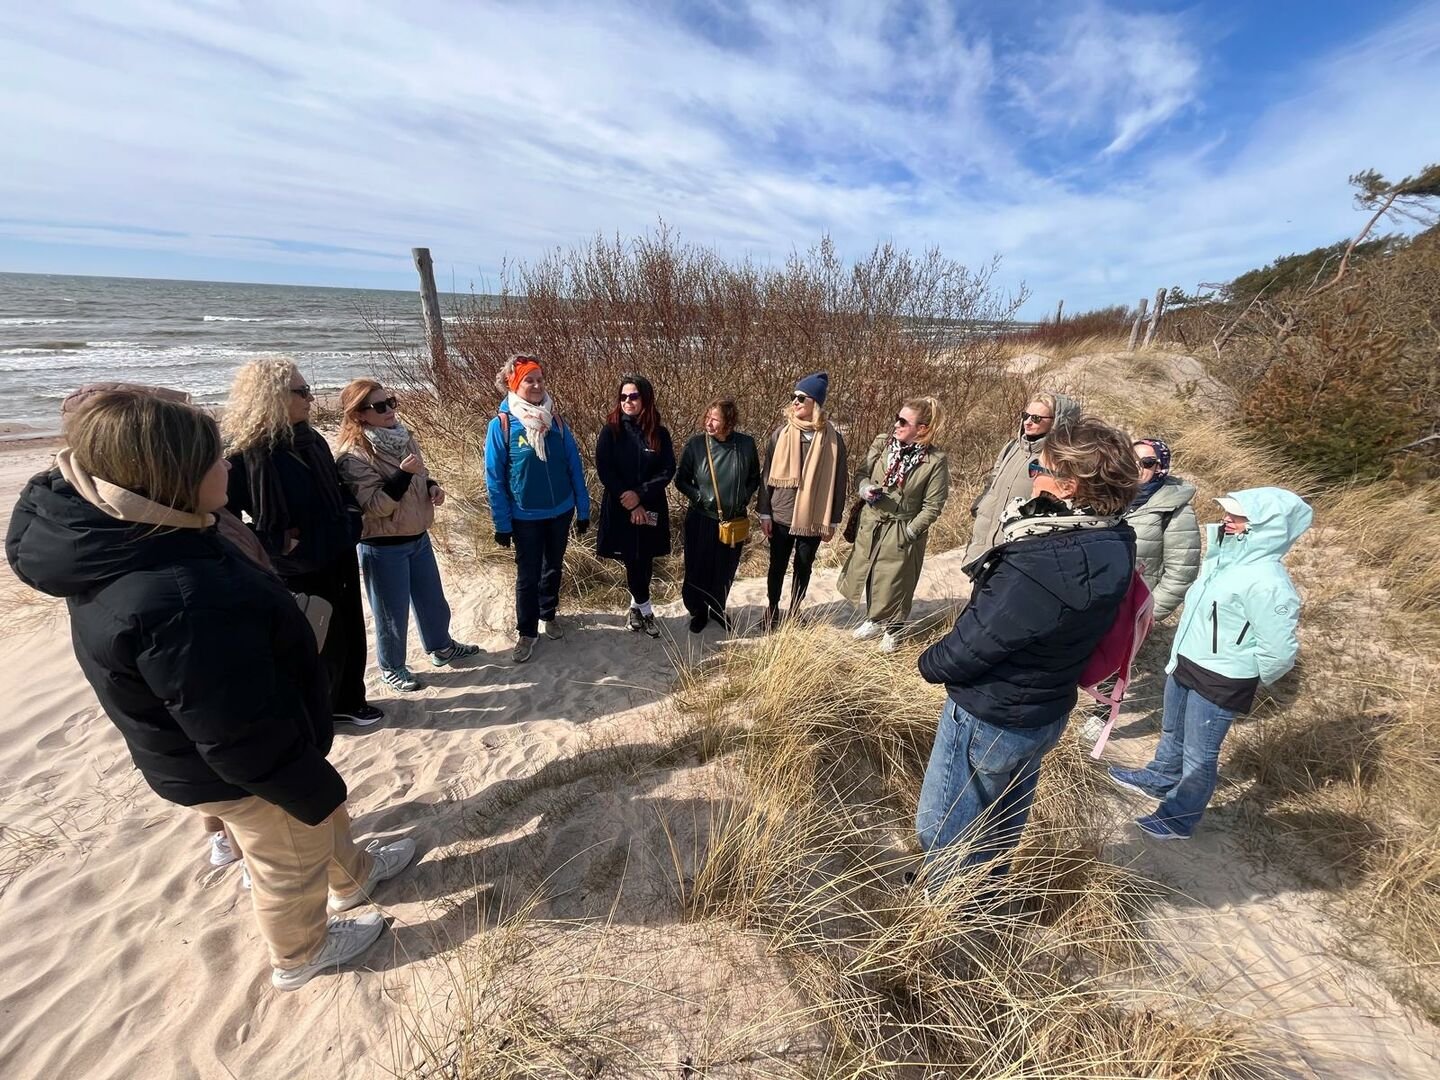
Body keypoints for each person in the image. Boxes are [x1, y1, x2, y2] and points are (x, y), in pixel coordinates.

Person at [6, 390, 416, 991]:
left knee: (319, 815)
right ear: (168, 475)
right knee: (286, 854)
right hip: (242, 770)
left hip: (227, 746)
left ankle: (354, 877)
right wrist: (300, 774)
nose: (228, 466)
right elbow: (236, 730)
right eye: (213, 458)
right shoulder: (177, 594)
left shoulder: (131, 533)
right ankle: (301, 953)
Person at [915, 417, 1138, 886]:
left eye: (1040, 464)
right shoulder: (1114, 537)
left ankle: (944, 908)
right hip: (1047, 707)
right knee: (1001, 819)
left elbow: (976, 643)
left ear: (1068, 485)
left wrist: (930, 663)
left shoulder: (1040, 560)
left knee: (945, 824)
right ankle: (987, 893)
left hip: (991, 711)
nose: (1032, 470)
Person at [1108, 488, 1312, 840]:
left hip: (1221, 679)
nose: (1226, 520)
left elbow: (1279, 652)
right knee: (1172, 732)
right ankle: (1159, 778)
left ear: (1266, 527)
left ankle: (1178, 819)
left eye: (1237, 517)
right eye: (1228, 514)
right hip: (1188, 661)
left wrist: (1241, 673)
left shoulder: (1270, 583)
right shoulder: (1223, 560)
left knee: (1199, 755)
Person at [223, 358, 382, 727]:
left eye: (309, 389)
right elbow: (223, 517)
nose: (311, 398)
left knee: (349, 629)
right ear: (273, 397)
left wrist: (351, 518)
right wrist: (275, 542)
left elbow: (340, 488)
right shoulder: (244, 453)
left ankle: (348, 701)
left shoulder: (311, 441)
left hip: (337, 548)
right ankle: (320, 710)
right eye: (302, 391)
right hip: (294, 567)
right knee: (315, 639)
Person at [335, 379, 479, 692]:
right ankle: (392, 667)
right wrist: (404, 475)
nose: (390, 410)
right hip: (383, 545)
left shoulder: (401, 436)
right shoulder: (353, 456)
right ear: (359, 414)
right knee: (390, 612)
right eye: (380, 406)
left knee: (432, 601)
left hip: (417, 535)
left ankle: (441, 647)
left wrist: (432, 487)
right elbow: (374, 506)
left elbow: (421, 474)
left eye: (391, 401)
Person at [484, 354, 591, 664]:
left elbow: (574, 466)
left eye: (540, 379)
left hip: (560, 511)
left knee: (553, 567)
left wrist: (582, 510)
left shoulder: (556, 421)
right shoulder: (502, 424)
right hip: (524, 516)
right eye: (528, 379)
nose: (536, 384)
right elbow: (494, 478)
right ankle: (527, 631)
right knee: (528, 576)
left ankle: (549, 613)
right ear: (514, 384)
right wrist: (502, 524)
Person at [839, 396, 951, 653]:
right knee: (871, 572)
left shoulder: (934, 461)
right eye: (896, 418)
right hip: (873, 522)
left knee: (898, 580)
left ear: (921, 429)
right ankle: (874, 619)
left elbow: (933, 506)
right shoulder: (883, 443)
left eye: (903, 421)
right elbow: (861, 473)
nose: (896, 425)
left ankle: (894, 628)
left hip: (902, 527)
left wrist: (910, 532)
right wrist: (865, 489)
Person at [756, 372, 849, 629]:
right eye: (793, 397)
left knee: (804, 566)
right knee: (777, 566)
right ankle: (772, 609)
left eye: (801, 398)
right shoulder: (781, 435)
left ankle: (796, 611)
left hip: (814, 516)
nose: (794, 402)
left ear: (815, 404)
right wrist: (764, 513)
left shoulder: (833, 440)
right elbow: (766, 475)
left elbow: (839, 481)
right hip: (781, 513)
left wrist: (832, 520)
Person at [594, 374, 676, 638]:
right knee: (632, 559)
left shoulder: (659, 433)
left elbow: (667, 469)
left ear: (645, 398)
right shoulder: (611, 431)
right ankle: (648, 610)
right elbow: (605, 470)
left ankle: (635, 608)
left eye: (633, 396)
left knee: (646, 557)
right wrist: (629, 500)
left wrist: (640, 495)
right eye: (623, 397)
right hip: (621, 507)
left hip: (651, 504)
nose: (627, 401)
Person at [963, 392, 1081, 572]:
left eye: (1036, 418)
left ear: (1056, 422)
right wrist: (981, 506)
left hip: (1016, 549)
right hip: (983, 541)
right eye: (1025, 416)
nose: (1028, 422)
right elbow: (992, 482)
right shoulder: (1012, 447)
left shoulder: (1059, 460)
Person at [674, 397, 762, 634]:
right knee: (697, 567)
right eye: (707, 417)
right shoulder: (696, 445)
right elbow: (680, 480)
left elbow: (755, 477)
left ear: (729, 423)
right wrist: (700, 496)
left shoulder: (745, 445)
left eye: (715, 419)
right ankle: (698, 611)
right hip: (702, 518)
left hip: (734, 520)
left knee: (725, 568)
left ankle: (717, 608)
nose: (708, 423)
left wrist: (744, 496)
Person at [1124, 438, 1201, 619]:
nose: (1136, 467)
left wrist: (1146, 615)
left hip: (1129, 613)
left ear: (1159, 467)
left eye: (1146, 463)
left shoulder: (1176, 510)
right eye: (1129, 459)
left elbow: (1181, 574)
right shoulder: (1105, 495)